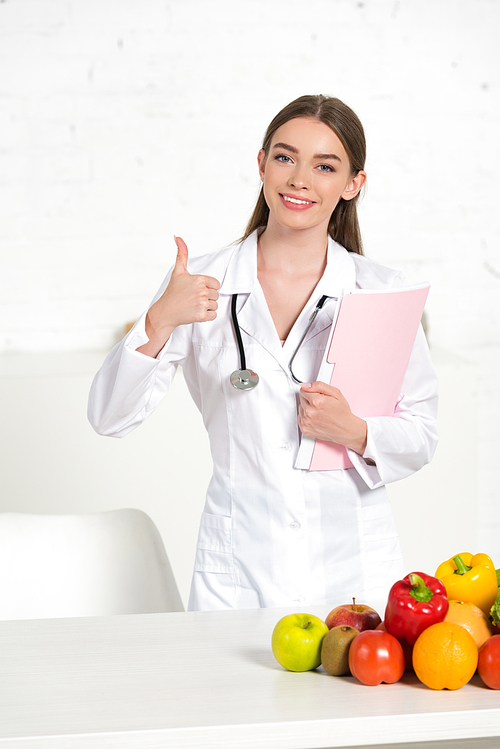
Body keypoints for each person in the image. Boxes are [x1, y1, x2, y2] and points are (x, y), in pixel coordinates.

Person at [88, 94, 438, 611]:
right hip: (238, 575)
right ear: (261, 163)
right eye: (284, 156)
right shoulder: (202, 284)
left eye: (325, 166)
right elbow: (109, 417)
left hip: (354, 572)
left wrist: (356, 431)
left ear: (352, 184)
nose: (300, 178)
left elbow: (422, 436)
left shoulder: (381, 292)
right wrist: (160, 318)